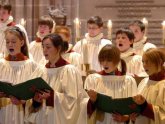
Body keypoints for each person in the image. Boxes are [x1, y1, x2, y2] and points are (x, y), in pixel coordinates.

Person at [25, 34, 88, 124]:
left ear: (58, 48)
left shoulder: (69, 71)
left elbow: (72, 102)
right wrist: (35, 101)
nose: (44, 50)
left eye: (48, 47)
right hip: (41, 117)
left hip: (56, 119)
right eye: (43, 47)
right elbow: (30, 96)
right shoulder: (40, 70)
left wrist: (52, 97)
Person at [84, 44, 137, 124]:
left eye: (108, 60)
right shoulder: (93, 79)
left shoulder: (128, 81)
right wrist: (92, 101)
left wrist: (126, 118)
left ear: (117, 61)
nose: (104, 64)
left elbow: (133, 107)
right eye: (102, 60)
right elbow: (83, 108)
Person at [0, 25, 38, 124]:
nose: (10, 45)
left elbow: (37, 91)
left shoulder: (31, 65)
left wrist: (24, 100)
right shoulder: (1, 64)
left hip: (23, 111)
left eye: (13, 41)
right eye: (7, 42)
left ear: (22, 42)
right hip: (3, 110)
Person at [134, 48, 165, 124]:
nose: (144, 65)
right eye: (143, 62)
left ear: (159, 62)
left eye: (147, 61)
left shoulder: (163, 85)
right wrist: (133, 115)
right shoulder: (144, 81)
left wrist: (145, 107)